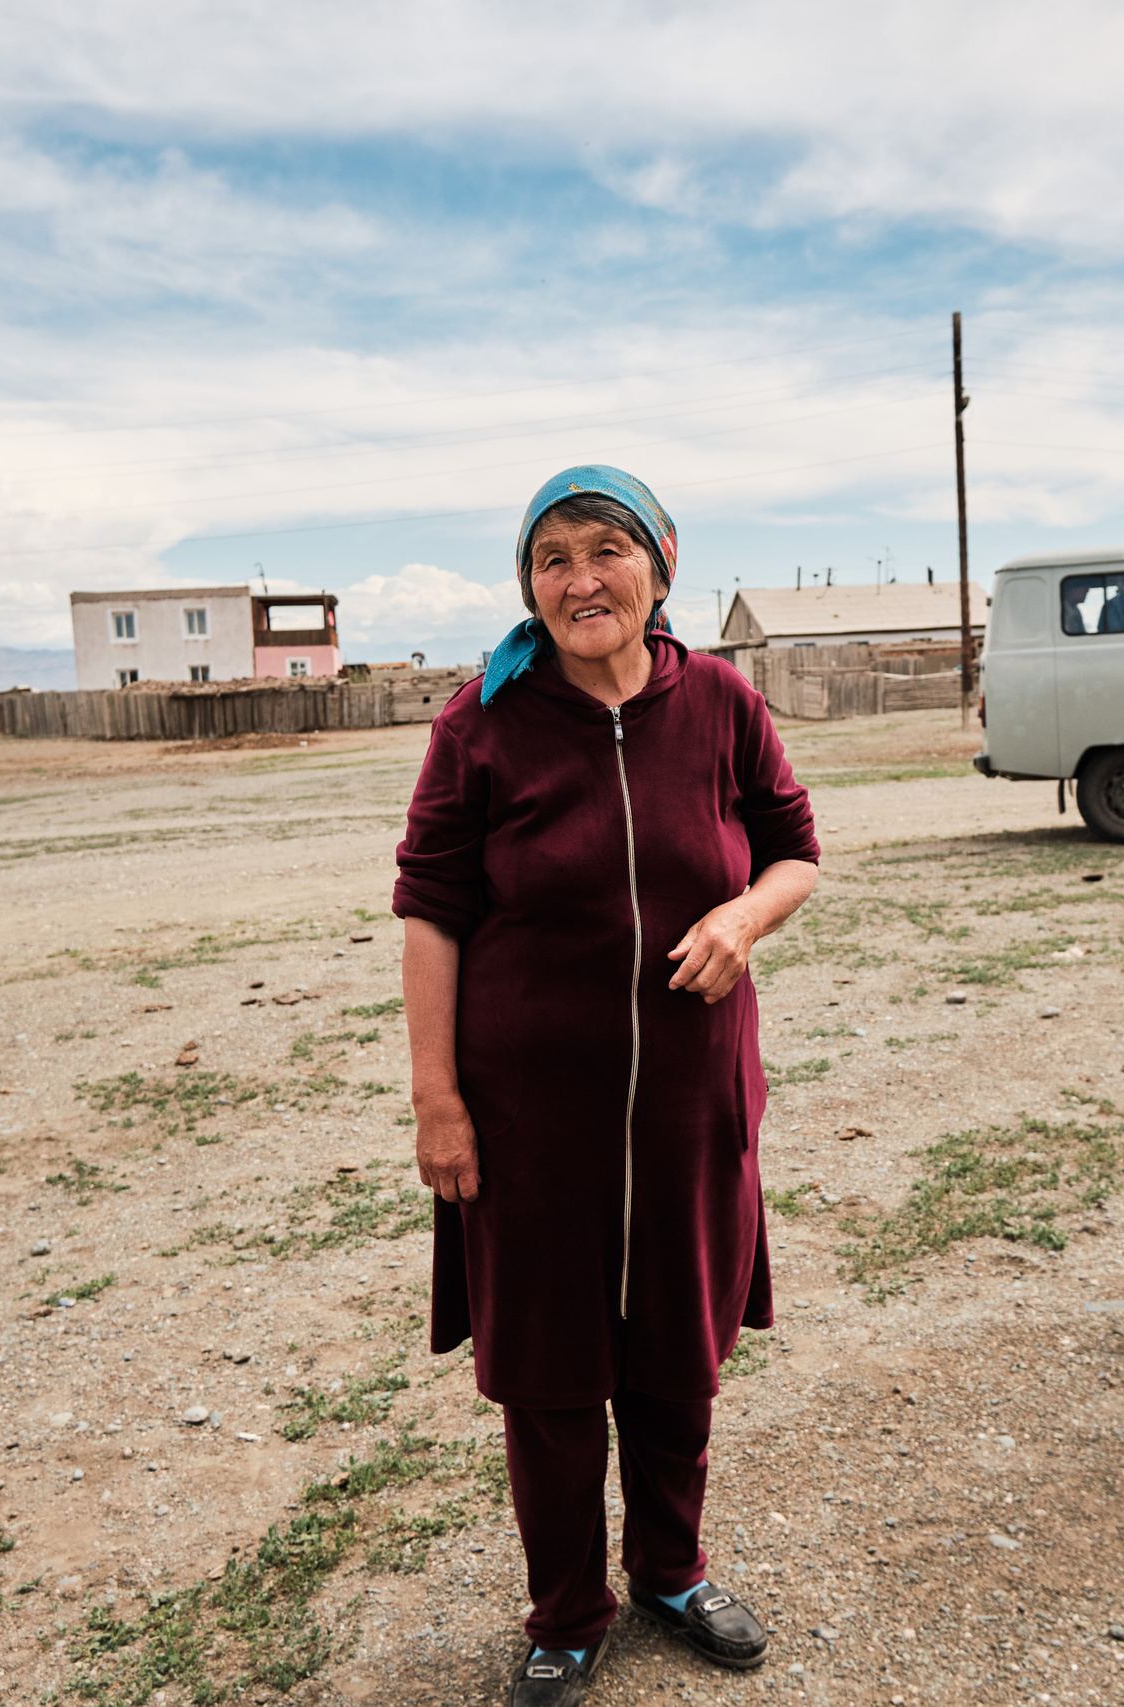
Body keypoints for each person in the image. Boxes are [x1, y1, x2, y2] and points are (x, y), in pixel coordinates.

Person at [393, 465, 821, 1706]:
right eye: (552, 559)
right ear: (528, 585)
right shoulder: (480, 724)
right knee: (551, 1376)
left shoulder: (722, 702)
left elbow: (795, 852)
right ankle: (568, 1613)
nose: (580, 580)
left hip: (691, 1106)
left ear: (660, 563)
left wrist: (742, 917)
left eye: (605, 550)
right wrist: (437, 1101)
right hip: (531, 1118)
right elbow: (430, 910)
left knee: (677, 1360)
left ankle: (671, 1573)